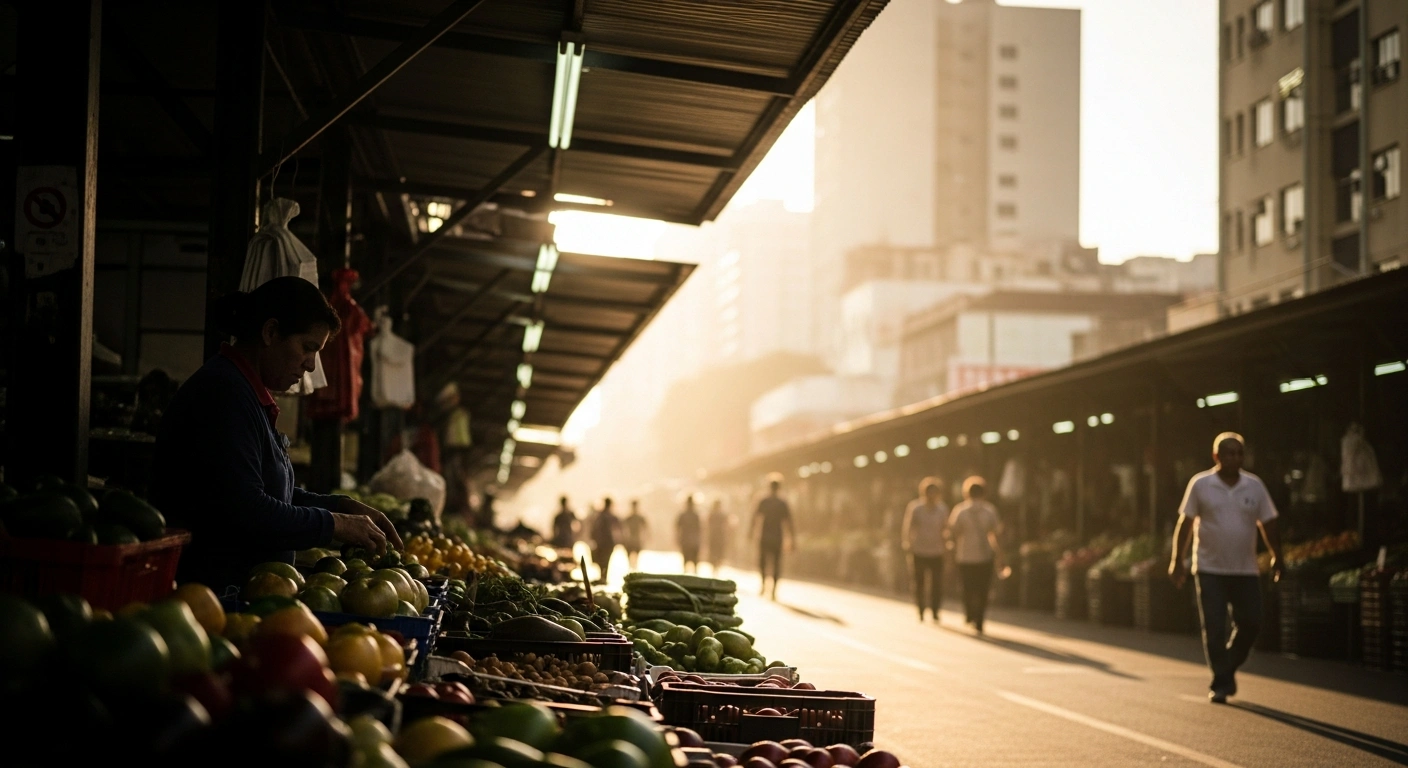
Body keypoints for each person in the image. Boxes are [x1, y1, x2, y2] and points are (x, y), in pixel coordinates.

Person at [152, 277, 401, 593]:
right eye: (308, 348)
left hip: (243, 595)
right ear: (270, 333)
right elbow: (248, 510)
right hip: (209, 597)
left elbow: (271, 493)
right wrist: (335, 524)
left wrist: (342, 506)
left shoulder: (245, 394)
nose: (310, 365)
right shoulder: (223, 395)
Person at [1169, 432, 1282, 704]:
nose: (1234, 458)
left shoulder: (1254, 486)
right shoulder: (1201, 484)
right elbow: (1185, 524)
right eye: (1229, 453)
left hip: (1245, 569)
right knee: (1215, 628)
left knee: (1252, 622)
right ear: (1216, 456)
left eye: (1239, 453)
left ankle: (1227, 666)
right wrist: (1176, 561)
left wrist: (1278, 556)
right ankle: (1221, 683)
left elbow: (1268, 523)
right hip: (1209, 569)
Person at [948, 476, 1002, 633]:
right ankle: (980, 618)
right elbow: (996, 533)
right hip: (985, 555)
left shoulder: (960, 510)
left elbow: (953, 531)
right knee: (983, 589)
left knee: (967, 587)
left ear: (966, 493)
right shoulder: (990, 510)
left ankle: (970, 613)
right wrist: (1000, 554)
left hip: (964, 555)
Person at [902, 477, 950, 622]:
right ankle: (921, 609)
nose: (932, 495)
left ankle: (935, 610)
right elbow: (908, 526)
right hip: (919, 550)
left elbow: (946, 528)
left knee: (936, 584)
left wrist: (947, 544)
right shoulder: (915, 507)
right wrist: (907, 542)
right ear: (924, 493)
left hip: (937, 550)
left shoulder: (942, 509)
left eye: (935, 492)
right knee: (919, 583)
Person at [751, 475, 794, 600]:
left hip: (765, 535)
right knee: (776, 563)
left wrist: (751, 533)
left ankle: (764, 584)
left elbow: (755, 518)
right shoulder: (782, 502)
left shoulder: (763, 500)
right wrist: (791, 538)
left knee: (763, 562)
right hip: (777, 536)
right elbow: (789, 522)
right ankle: (773, 590)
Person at [590, 496, 623, 582]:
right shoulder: (611, 516)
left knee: (602, 560)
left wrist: (594, 538)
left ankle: (602, 576)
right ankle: (604, 577)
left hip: (601, 542)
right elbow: (619, 528)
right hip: (608, 542)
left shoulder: (600, 515)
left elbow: (594, 528)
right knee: (606, 560)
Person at [676, 496, 703, 573]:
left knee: (689, 561)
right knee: (690, 561)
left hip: (689, 541)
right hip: (690, 541)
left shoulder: (688, 515)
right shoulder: (693, 515)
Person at [707, 500, 733, 574]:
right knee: (718, 551)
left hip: (714, 536)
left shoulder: (712, 514)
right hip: (719, 536)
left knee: (714, 551)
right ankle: (716, 565)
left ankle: (715, 565)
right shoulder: (722, 515)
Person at [623, 500, 650, 571]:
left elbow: (645, 529)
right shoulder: (629, 518)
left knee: (636, 557)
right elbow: (624, 529)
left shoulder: (640, 518)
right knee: (629, 557)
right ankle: (631, 569)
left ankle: (634, 569)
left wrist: (645, 537)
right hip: (630, 540)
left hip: (637, 540)